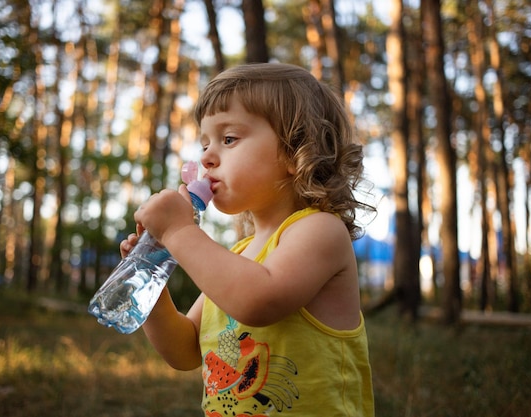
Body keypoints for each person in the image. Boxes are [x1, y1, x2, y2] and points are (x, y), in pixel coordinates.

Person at [123, 62, 375, 416]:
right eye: (205, 142)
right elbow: (185, 351)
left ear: (294, 150)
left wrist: (179, 231)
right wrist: (150, 286)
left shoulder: (320, 230)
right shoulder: (240, 254)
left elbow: (257, 302)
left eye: (228, 139)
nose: (207, 157)